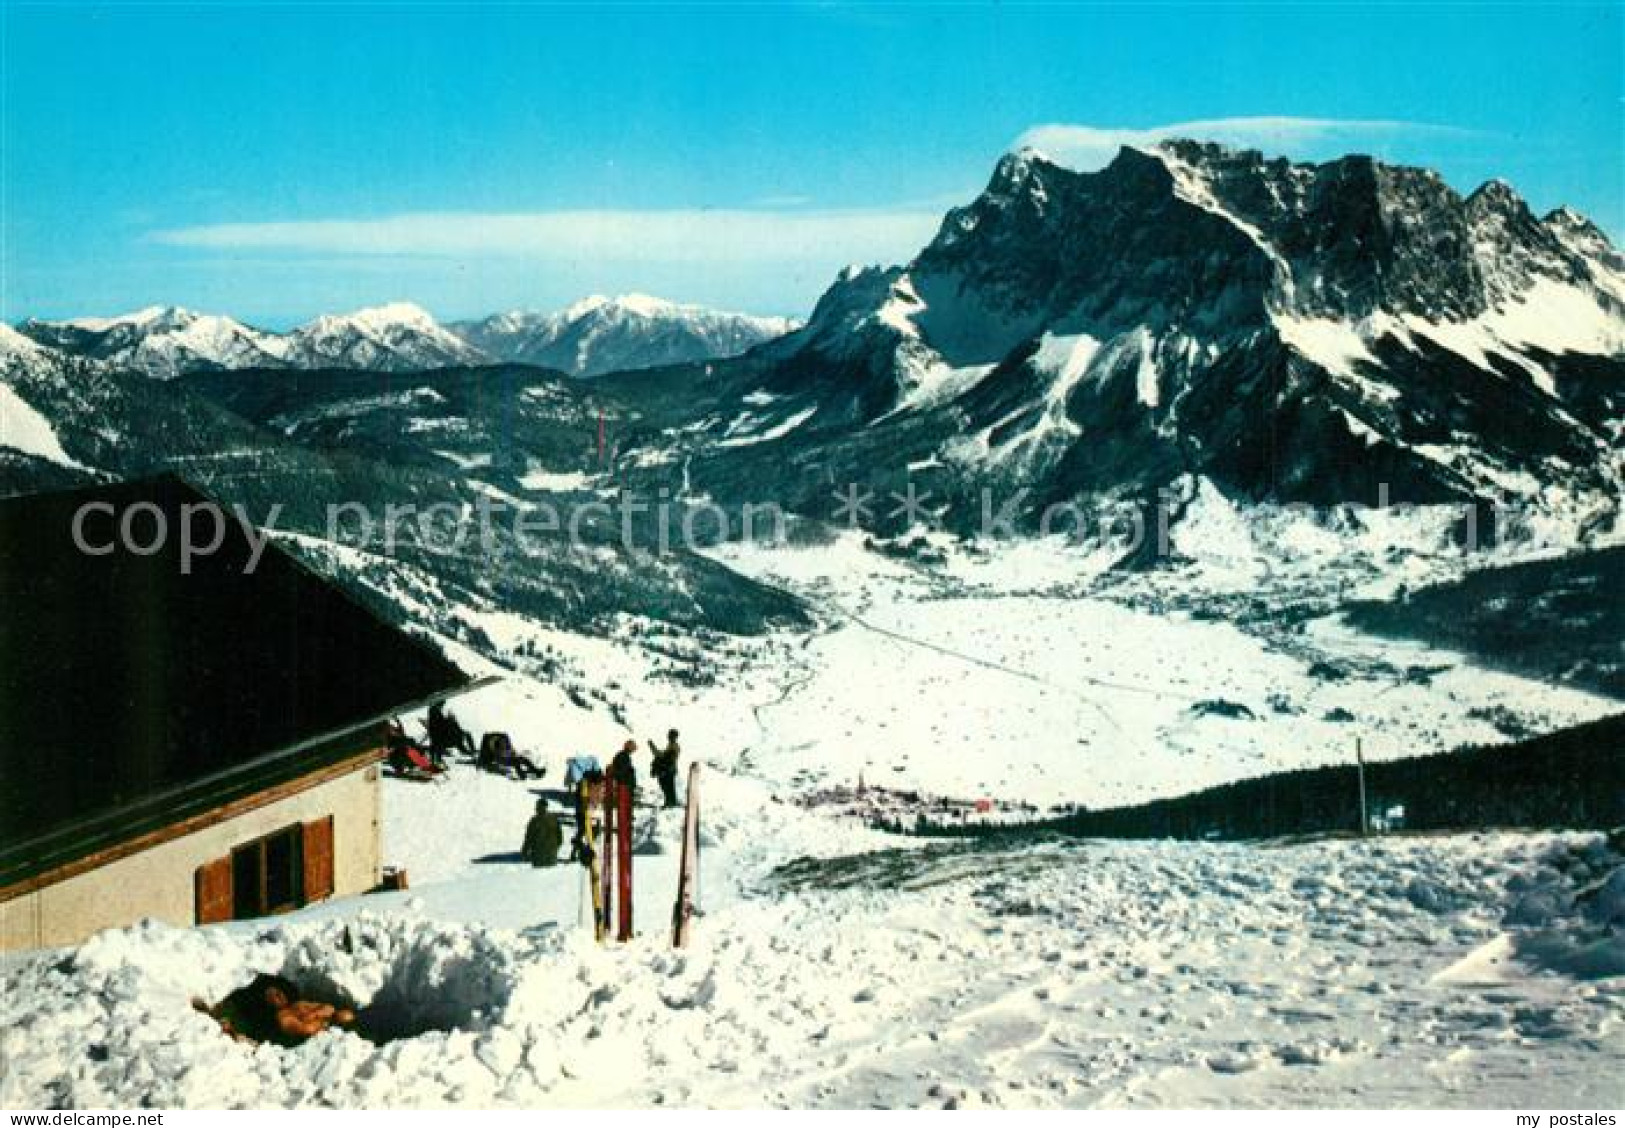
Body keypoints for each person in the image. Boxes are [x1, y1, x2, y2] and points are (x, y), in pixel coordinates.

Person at [200, 973, 356, 1047]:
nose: (279, 995)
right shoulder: (284, 1016)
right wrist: (318, 1019)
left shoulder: (301, 1005)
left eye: (278, 992)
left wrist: (317, 1015)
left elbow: (330, 1009)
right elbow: (304, 1029)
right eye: (274, 995)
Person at [425, 702, 475, 768]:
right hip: (446, 737)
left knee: (436, 743)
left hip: (446, 737)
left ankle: (436, 761)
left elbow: (434, 742)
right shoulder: (448, 723)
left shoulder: (447, 723)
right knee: (437, 743)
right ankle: (436, 761)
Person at [521, 797, 564, 867]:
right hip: (551, 856)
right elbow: (560, 838)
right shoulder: (553, 819)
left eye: (537, 806)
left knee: (539, 875)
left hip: (539, 856)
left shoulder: (535, 820)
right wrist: (555, 848)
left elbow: (529, 837)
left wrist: (524, 851)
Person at [648, 729, 681, 808]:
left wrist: (653, 747)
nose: (669, 737)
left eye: (670, 735)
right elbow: (662, 755)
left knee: (667, 786)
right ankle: (670, 802)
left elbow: (664, 756)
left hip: (668, 770)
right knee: (668, 786)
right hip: (669, 769)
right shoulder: (672, 746)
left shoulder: (674, 746)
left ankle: (670, 802)